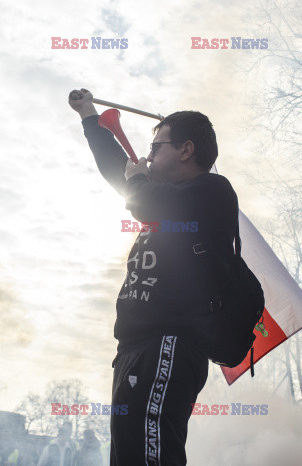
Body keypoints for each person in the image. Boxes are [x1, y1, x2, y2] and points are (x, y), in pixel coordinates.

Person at [68, 89, 239, 466]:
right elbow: (122, 173)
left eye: (155, 146)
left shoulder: (212, 190)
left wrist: (139, 181)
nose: (146, 155)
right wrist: (89, 117)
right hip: (135, 347)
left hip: (169, 343)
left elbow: (142, 198)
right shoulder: (160, 193)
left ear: (186, 150)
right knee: (132, 456)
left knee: (150, 455)